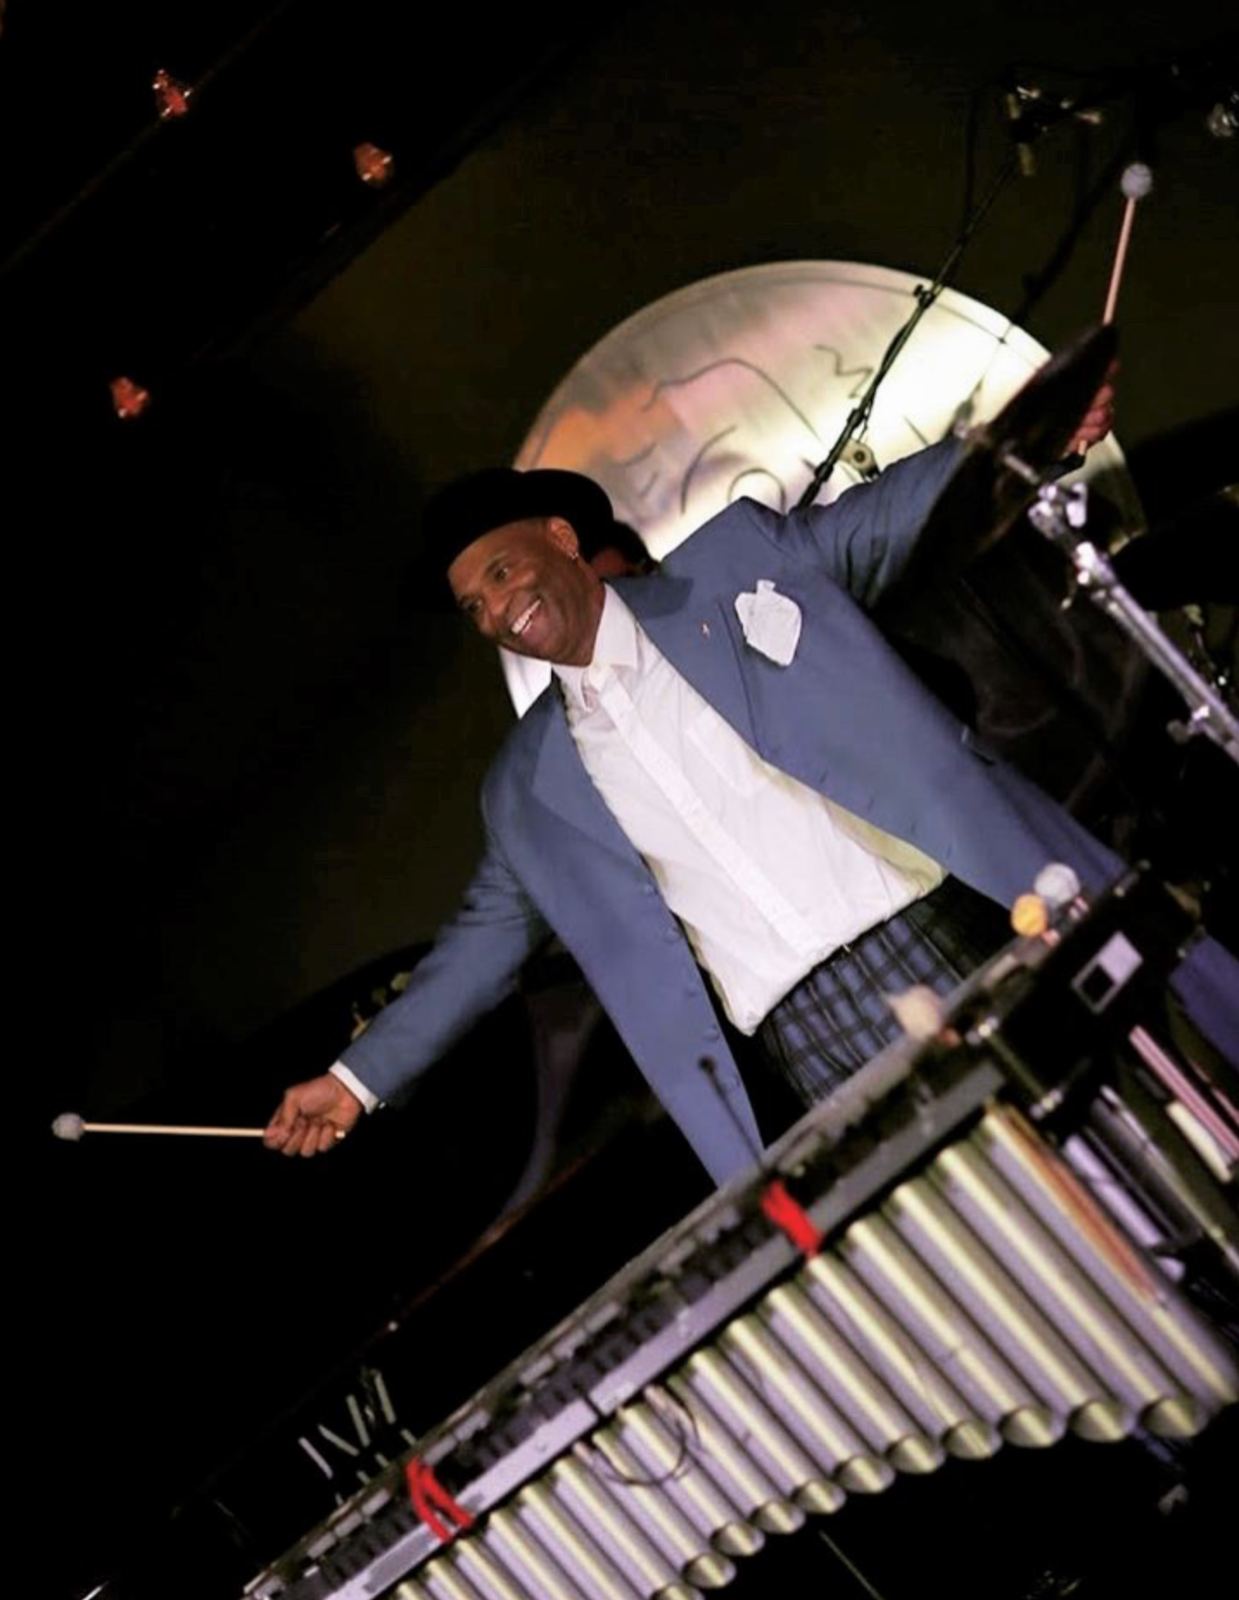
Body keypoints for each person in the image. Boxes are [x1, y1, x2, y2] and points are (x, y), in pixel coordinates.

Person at [263, 342, 1197, 1182]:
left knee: (1124, 1145)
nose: (496, 610)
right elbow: (478, 948)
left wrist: (1031, 439)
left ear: (560, 539)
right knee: (993, 1235)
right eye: (473, 606)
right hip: (806, 1035)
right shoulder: (523, 787)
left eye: (500, 573)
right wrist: (354, 1079)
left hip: (927, 933)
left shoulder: (735, 561)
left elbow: (884, 518)